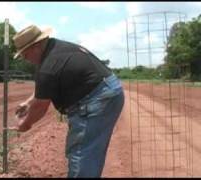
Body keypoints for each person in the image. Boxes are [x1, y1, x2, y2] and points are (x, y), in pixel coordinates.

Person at [8, 25, 124, 177]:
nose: (25, 59)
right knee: (91, 152)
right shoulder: (58, 47)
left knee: (81, 153)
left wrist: (25, 124)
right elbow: (45, 89)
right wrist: (28, 103)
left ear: (35, 47)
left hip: (97, 99)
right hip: (109, 90)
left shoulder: (49, 65)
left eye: (25, 54)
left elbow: (40, 108)